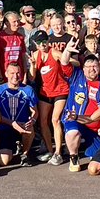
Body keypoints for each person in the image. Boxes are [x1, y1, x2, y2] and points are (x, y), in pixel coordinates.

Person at [60, 54, 100, 171]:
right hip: (75, 120)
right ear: (83, 69)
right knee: (73, 133)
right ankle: (73, 157)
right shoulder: (77, 76)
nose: (92, 69)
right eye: (88, 66)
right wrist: (68, 50)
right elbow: (64, 62)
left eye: (94, 66)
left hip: (97, 129)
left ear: (99, 67)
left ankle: (90, 150)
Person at [35, 29, 74, 164]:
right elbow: (31, 77)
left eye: (44, 41)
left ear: (48, 41)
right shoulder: (35, 55)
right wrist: (32, 65)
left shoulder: (55, 53)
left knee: (55, 120)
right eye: (39, 43)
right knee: (43, 122)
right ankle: (50, 151)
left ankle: (58, 152)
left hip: (60, 90)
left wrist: (67, 60)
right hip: (45, 92)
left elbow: (73, 61)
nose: (42, 45)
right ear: (35, 44)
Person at [0, 63, 38, 167]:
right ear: (6, 74)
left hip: (23, 125)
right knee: (4, 161)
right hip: (5, 127)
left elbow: (35, 111)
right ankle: (12, 148)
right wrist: (13, 124)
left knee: (30, 128)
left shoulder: (28, 89)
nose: (15, 76)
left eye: (17, 73)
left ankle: (25, 154)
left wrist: (32, 121)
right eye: (12, 73)